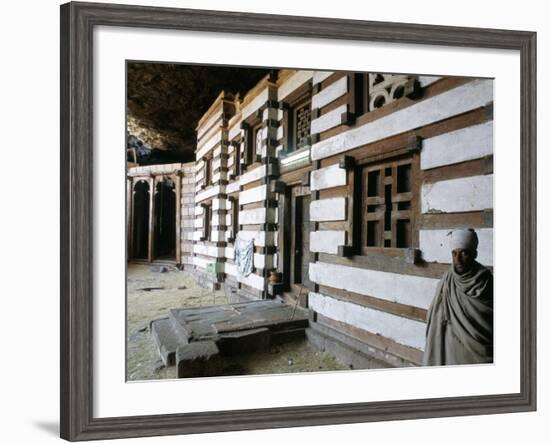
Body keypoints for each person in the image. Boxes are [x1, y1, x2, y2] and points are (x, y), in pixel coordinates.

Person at [423, 229, 493, 366]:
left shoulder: (486, 282)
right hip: (449, 346)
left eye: (464, 253)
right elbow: (435, 315)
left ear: (474, 254)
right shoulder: (447, 280)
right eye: (454, 254)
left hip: (476, 354)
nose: (458, 260)